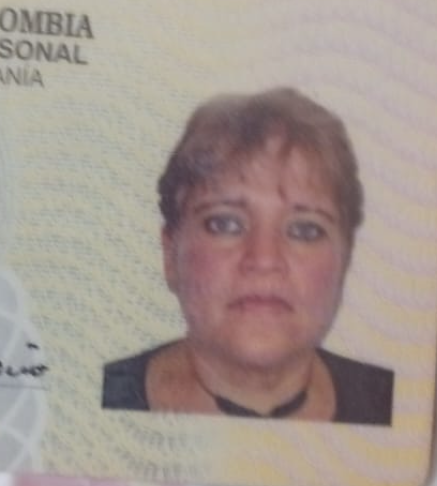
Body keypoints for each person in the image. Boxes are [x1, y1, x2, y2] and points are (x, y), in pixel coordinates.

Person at [101, 87, 393, 423]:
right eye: (225, 224)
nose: (264, 261)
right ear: (171, 255)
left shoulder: (399, 406)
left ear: (345, 259)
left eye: (305, 230)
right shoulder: (92, 398)